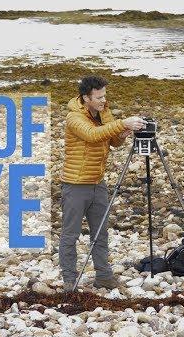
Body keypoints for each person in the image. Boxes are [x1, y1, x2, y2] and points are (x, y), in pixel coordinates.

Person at [60, 75, 146, 290]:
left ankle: (104, 276)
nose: (103, 100)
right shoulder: (74, 118)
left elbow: (113, 141)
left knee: (101, 231)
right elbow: (91, 135)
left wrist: (124, 133)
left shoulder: (104, 111)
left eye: (104, 95)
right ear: (86, 97)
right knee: (71, 234)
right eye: (98, 97)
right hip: (76, 184)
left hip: (98, 182)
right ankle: (69, 280)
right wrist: (121, 123)